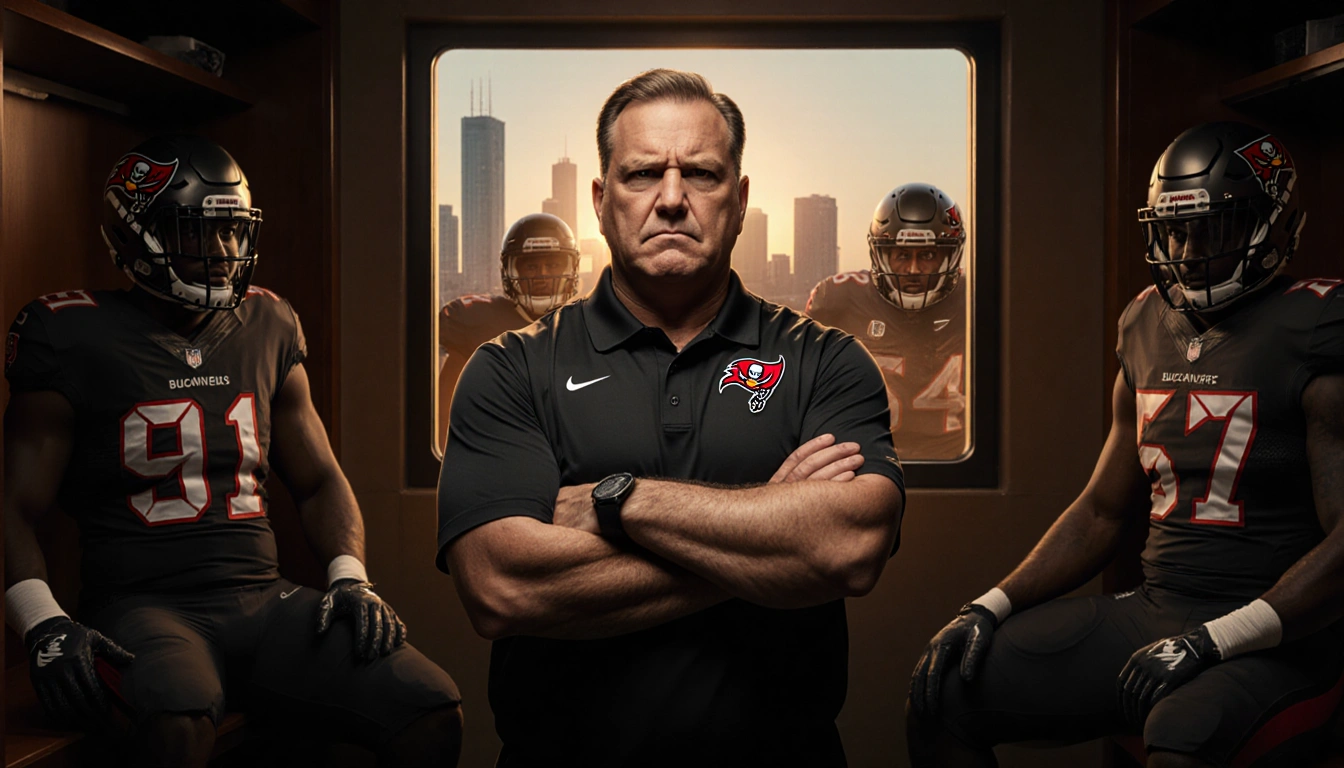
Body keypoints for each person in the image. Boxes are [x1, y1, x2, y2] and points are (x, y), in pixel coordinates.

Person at [437, 69, 906, 767]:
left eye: (704, 175)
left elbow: (849, 546)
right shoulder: (509, 368)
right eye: (642, 174)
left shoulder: (825, 360)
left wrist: (617, 502)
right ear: (600, 200)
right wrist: (770, 537)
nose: (672, 199)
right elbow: (502, 588)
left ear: (741, 199)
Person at [4, 135, 463, 768]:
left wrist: (349, 578)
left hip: (262, 599)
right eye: (200, 232)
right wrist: (42, 623)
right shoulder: (67, 332)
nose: (224, 252)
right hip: (143, 607)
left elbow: (320, 479)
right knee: (176, 719)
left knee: (429, 707)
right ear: (139, 234)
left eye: (232, 231)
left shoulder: (268, 321)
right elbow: (13, 505)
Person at [906, 121, 1344, 767]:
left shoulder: (1315, 327)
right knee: (943, 686)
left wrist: (1217, 640)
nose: (1189, 247)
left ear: (1269, 226)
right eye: (1176, 227)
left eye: (1212, 228)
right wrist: (990, 604)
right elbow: (1102, 511)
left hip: (1279, 630)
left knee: (1184, 733)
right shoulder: (1144, 322)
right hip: (1160, 608)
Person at [805, 183, 969, 460]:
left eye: (928, 255)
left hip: (956, 465)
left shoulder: (976, 297)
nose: (914, 270)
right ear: (880, 254)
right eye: (902, 255)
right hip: (864, 462)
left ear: (949, 256)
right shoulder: (839, 300)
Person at [436, 212, 581, 449]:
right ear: (510, 271)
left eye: (553, 264)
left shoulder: (587, 323)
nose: (543, 276)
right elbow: (445, 423)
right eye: (532, 266)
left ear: (571, 268)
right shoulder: (477, 323)